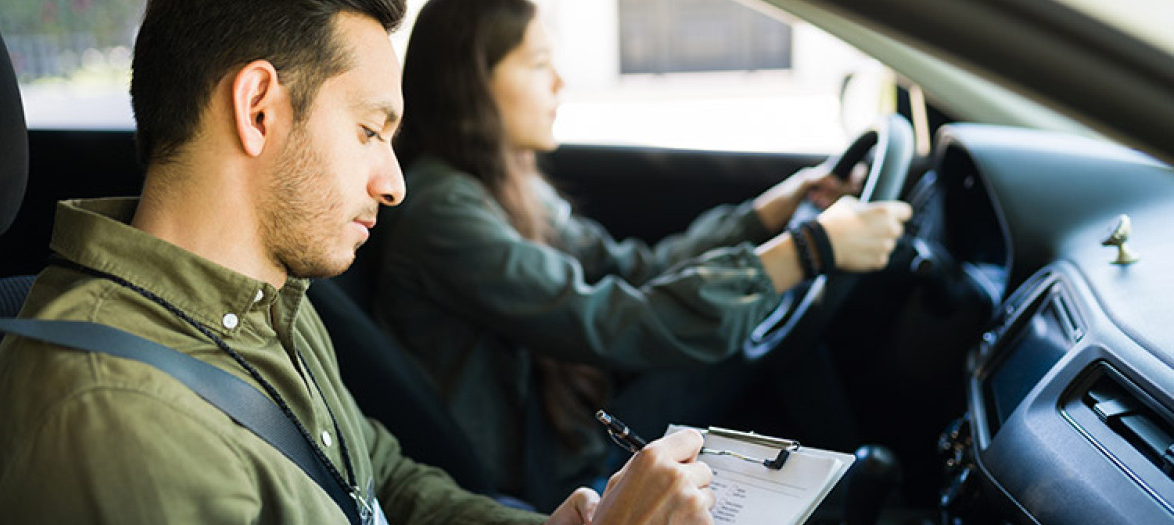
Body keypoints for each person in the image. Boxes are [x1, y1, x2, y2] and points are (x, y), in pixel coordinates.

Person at [0, 0, 718, 523]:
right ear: (259, 108)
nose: (393, 183)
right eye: (370, 131)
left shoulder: (268, 302)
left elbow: (378, 484)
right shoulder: (113, 420)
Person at [371, 0, 914, 510]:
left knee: (750, 331)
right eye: (538, 65)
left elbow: (637, 271)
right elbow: (611, 319)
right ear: (472, 83)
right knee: (746, 340)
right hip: (548, 473)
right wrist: (808, 250)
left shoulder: (509, 184)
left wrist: (768, 215)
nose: (560, 82)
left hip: (573, 427)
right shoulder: (443, 214)